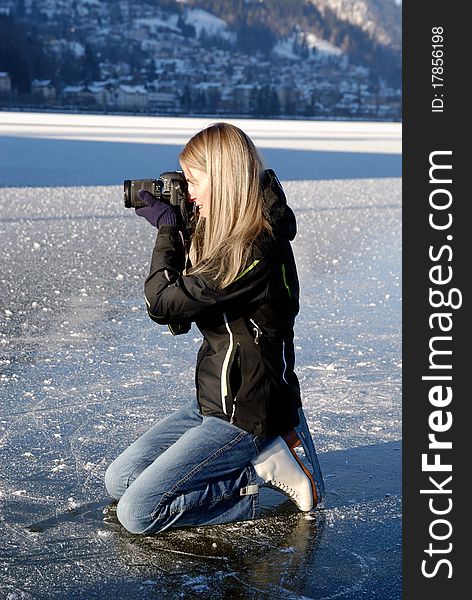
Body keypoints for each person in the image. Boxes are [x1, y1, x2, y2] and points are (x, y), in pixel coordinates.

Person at [105, 123, 322, 535]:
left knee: (138, 513)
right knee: (120, 479)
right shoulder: (227, 234)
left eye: (192, 181)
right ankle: (255, 460)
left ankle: (260, 472)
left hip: (248, 411)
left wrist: (168, 230)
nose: (186, 193)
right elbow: (179, 320)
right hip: (213, 400)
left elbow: (162, 302)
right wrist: (184, 228)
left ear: (222, 179)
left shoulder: (253, 248)